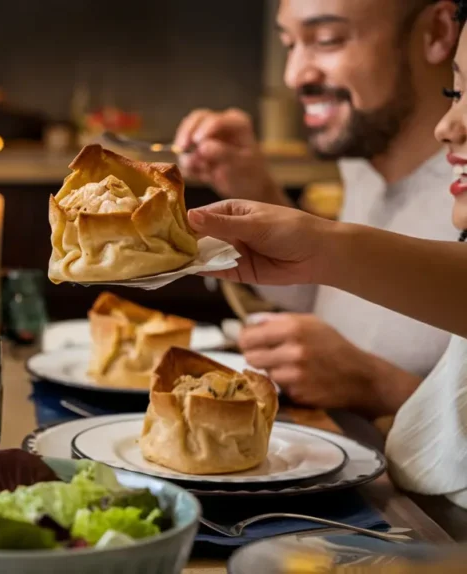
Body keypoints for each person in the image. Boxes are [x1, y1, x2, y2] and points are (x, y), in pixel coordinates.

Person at [184, 0, 467, 505]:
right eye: (290, 43)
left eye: (328, 39)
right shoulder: (363, 164)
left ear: (439, 32)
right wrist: (254, 186)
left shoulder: (458, 181)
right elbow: (344, 294)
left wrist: (378, 385)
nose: (294, 74)